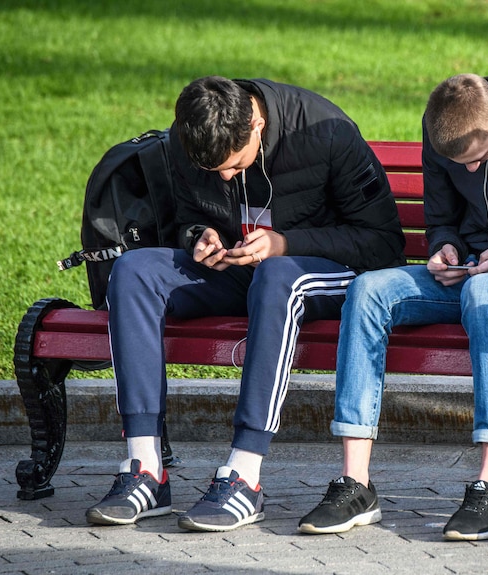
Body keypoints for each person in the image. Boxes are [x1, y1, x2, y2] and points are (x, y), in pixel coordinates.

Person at [85, 76, 406, 531]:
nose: (227, 178)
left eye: (234, 166)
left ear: (257, 123)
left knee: (277, 277)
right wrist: (201, 237)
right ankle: (145, 467)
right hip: (237, 269)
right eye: (216, 171)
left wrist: (285, 244)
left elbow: (384, 246)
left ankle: (244, 475)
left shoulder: (326, 130)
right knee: (134, 271)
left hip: (322, 274)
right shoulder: (189, 135)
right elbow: (187, 218)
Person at [297, 73, 488, 540]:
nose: (472, 171)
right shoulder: (441, 124)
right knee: (368, 291)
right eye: (463, 164)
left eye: (479, 159)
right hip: (473, 271)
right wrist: (445, 248)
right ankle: (355, 484)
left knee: (484, 294)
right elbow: (441, 219)